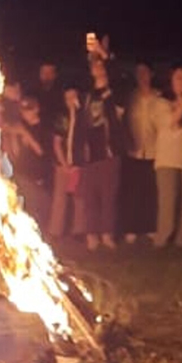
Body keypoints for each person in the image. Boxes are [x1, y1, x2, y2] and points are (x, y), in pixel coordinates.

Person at [78, 59, 128, 251]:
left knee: (109, 198)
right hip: (90, 155)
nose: (98, 70)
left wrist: (107, 57)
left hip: (109, 153)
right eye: (94, 67)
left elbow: (116, 116)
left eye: (101, 66)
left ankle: (107, 234)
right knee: (90, 198)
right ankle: (92, 235)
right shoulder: (87, 96)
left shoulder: (115, 94)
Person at [151, 67, 182, 248]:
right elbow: (174, 121)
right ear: (170, 82)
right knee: (169, 202)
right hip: (167, 159)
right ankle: (163, 239)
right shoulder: (161, 103)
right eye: (178, 78)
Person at [120, 61, 159, 243]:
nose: (142, 77)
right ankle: (131, 228)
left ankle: (150, 227)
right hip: (134, 151)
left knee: (150, 192)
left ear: (151, 74)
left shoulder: (158, 98)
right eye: (138, 73)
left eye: (145, 72)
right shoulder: (130, 97)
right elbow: (123, 122)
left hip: (154, 151)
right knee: (133, 192)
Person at [7, 97, 52, 230]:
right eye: (24, 110)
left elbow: (41, 151)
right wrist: (14, 135)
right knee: (28, 207)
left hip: (40, 174)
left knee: (43, 206)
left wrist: (25, 134)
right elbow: (16, 152)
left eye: (29, 109)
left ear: (36, 109)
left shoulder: (43, 127)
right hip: (24, 174)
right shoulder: (21, 126)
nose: (27, 113)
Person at [49, 88, 86, 238]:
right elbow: (57, 143)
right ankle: (55, 231)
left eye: (73, 96)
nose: (71, 100)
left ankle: (79, 231)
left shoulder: (83, 117)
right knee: (60, 199)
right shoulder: (62, 117)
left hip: (78, 165)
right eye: (68, 97)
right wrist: (64, 164)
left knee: (79, 199)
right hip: (62, 165)